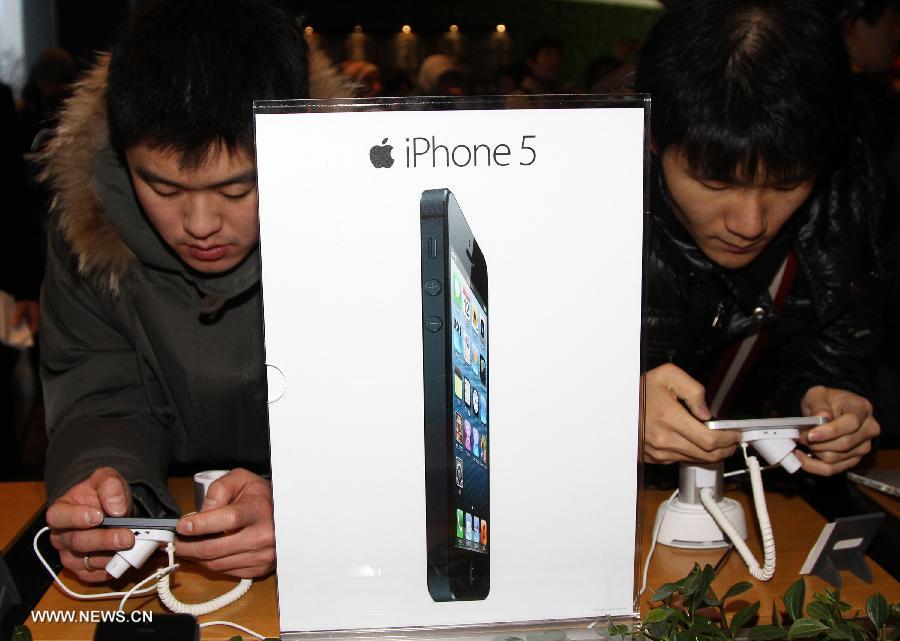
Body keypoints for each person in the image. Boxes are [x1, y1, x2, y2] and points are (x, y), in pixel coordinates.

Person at [39, 0, 340, 583]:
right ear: (123, 161)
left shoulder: (370, 213)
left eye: (237, 189)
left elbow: (399, 419)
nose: (200, 223)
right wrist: (106, 487)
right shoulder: (89, 228)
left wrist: (312, 506)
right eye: (162, 186)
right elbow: (98, 392)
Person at [635, 0, 896, 475]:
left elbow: (836, 353)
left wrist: (828, 397)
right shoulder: (574, 191)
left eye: (786, 184)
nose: (751, 223)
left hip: (748, 495)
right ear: (652, 137)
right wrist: (604, 410)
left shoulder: (850, 195)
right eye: (715, 183)